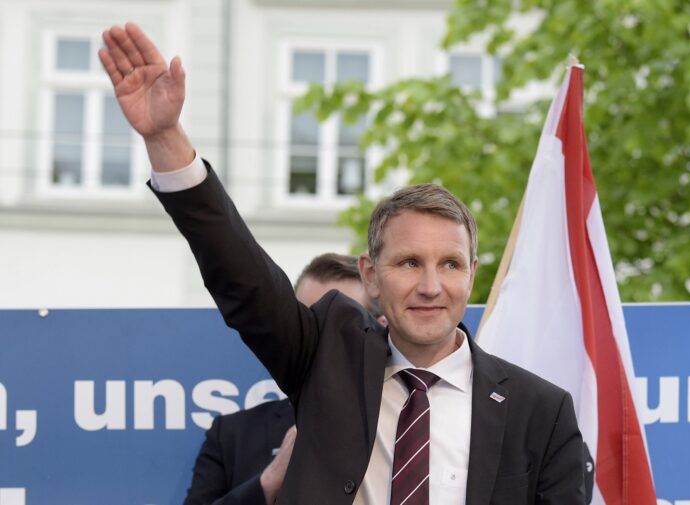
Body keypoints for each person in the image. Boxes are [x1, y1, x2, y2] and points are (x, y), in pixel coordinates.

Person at [99, 22, 585, 504]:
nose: (431, 286)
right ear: (371, 274)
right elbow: (243, 277)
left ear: (472, 274)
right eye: (409, 263)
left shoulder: (541, 412)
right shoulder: (326, 359)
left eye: (451, 265)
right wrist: (165, 138)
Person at [185, 253, 383, 505]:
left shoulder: (410, 426)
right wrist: (269, 481)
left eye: (338, 326)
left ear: (380, 329)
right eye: (305, 323)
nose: (318, 340)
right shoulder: (233, 435)